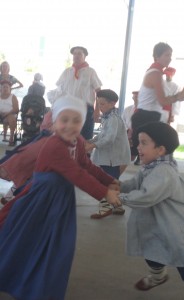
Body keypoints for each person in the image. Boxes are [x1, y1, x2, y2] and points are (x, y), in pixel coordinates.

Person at [0, 94, 120, 300]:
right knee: (28, 242)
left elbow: (86, 166)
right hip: (39, 201)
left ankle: (39, 285)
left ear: (83, 123)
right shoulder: (54, 145)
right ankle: (24, 282)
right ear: (54, 123)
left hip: (59, 201)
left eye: (76, 121)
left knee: (54, 246)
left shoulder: (78, 141)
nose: (69, 126)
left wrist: (108, 180)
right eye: (64, 120)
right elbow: (76, 174)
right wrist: (104, 194)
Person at [107, 121, 184, 300]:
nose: (137, 146)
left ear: (160, 150)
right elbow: (136, 183)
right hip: (159, 224)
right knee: (152, 251)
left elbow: (146, 196)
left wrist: (119, 198)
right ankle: (158, 277)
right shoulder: (150, 166)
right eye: (138, 142)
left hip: (178, 229)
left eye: (143, 143)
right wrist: (121, 186)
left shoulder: (164, 171)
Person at [131, 42, 184, 154]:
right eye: (167, 55)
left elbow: (163, 100)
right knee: (148, 153)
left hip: (150, 116)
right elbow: (163, 101)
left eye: (170, 55)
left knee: (150, 154)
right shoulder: (155, 73)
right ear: (157, 56)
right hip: (146, 117)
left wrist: (179, 96)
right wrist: (179, 95)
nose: (170, 58)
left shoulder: (156, 72)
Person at [85, 89, 131, 219]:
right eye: (99, 104)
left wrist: (92, 145)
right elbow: (102, 135)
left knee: (107, 183)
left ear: (112, 103)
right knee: (111, 182)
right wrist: (91, 140)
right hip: (110, 158)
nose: (100, 107)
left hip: (113, 158)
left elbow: (109, 138)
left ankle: (106, 207)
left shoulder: (113, 119)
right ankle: (117, 206)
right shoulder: (108, 117)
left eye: (103, 104)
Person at [56, 46, 102, 140]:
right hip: (68, 107)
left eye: (79, 54)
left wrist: (97, 110)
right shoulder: (67, 72)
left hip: (86, 109)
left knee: (84, 138)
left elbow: (99, 92)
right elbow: (59, 90)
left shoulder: (90, 72)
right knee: (67, 137)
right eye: (74, 54)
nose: (76, 56)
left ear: (84, 56)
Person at [0, 80, 19, 146]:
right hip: (0, 114)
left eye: (7, 87)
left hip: (10, 113)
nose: (5, 89)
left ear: (9, 89)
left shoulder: (13, 97)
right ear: (1, 88)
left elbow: (16, 109)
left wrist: (7, 113)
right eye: (3, 87)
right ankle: (5, 136)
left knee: (11, 118)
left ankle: (11, 138)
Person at [122, 90, 139, 162]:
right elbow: (122, 121)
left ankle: (139, 155)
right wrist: (128, 130)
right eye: (135, 97)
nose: (136, 99)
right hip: (128, 132)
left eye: (138, 97)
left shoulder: (146, 111)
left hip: (139, 132)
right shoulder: (127, 109)